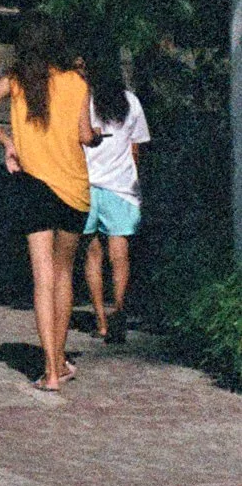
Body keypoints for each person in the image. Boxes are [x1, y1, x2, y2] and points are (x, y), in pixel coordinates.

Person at [0, 12, 97, 391]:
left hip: (32, 186)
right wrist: (95, 139)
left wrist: (9, 143)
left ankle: (51, 373)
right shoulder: (78, 82)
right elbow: (84, 135)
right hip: (74, 189)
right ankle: (59, 358)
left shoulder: (17, 80)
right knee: (64, 275)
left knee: (42, 278)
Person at [78, 30, 150, 346]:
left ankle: (101, 320)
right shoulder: (130, 102)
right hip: (122, 187)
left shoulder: (83, 103)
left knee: (92, 254)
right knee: (120, 256)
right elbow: (137, 148)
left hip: (86, 185)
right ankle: (119, 311)